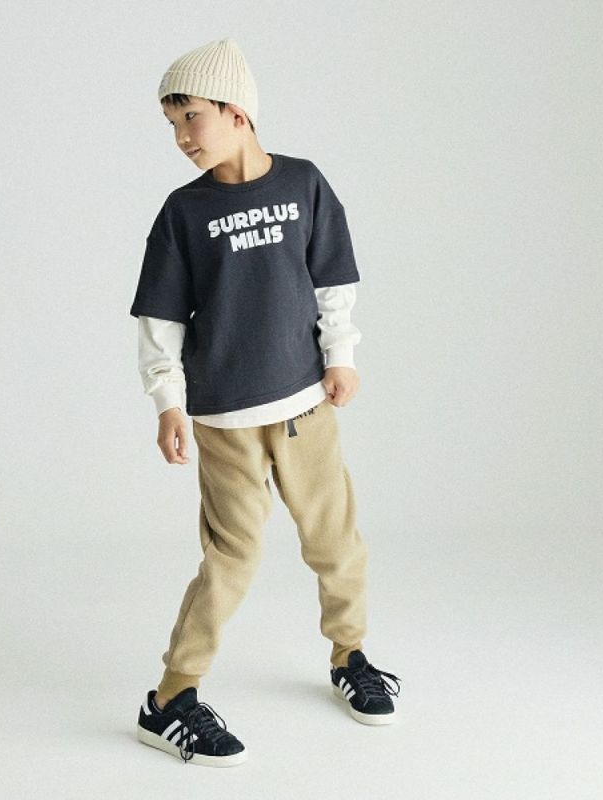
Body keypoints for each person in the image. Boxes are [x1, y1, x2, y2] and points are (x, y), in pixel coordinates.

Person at [130, 37, 401, 767]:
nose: (182, 137)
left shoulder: (305, 184)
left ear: (237, 112)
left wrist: (341, 357)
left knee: (335, 541)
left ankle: (350, 657)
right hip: (225, 419)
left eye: (190, 116)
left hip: (306, 406)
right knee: (231, 557)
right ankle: (170, 698)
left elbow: (333, 281)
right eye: (172, 124)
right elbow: (160, 320)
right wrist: (168, 403)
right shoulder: (183, 213)